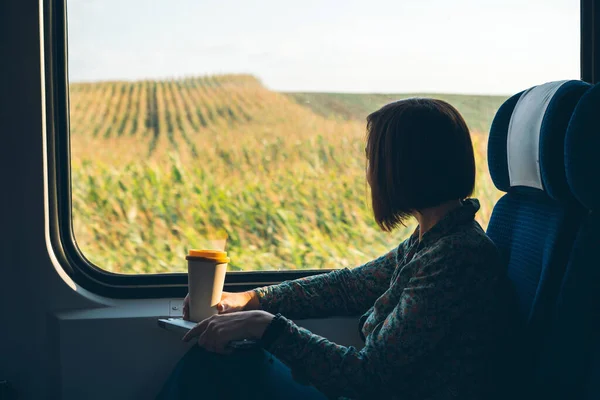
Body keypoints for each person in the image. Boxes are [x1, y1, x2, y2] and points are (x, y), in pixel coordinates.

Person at [157, 98, 515, 400]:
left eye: (373, 159)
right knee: (220, 362)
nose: (370, 173)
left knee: (219, 367)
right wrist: (251, 300)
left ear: (403, 168)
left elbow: (368, 376)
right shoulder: (431, 240)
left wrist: (268, 327)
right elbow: (350, 286)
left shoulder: (457, 257)